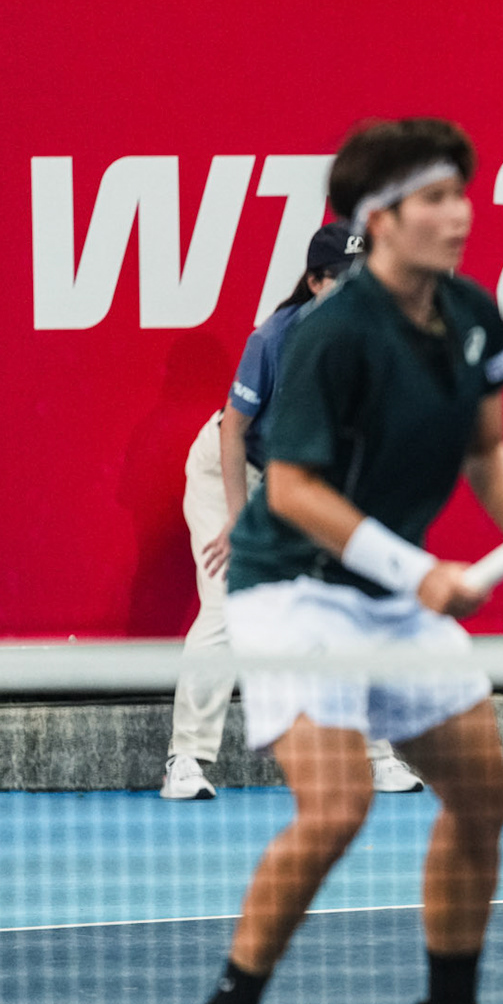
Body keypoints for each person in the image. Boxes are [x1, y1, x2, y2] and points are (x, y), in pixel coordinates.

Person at [174, 118, 503, 1004]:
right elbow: (295, 486)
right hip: (294, 587)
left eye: (461, 194)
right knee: (340, 801)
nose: (460, 213)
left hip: (392, 590)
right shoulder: (330, 334)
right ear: (380, 217)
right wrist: (419, 570)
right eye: (436, 198)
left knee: (484, 791)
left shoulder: (471, 314)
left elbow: (486, 445)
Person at [161, 221, 425, 800]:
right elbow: (234, 433)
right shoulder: (275, 337)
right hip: (231, 470)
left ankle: (376, 754)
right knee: (229, 606)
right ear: (314, 281)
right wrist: (238, 519)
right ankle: (185, 759)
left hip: (300, 478)